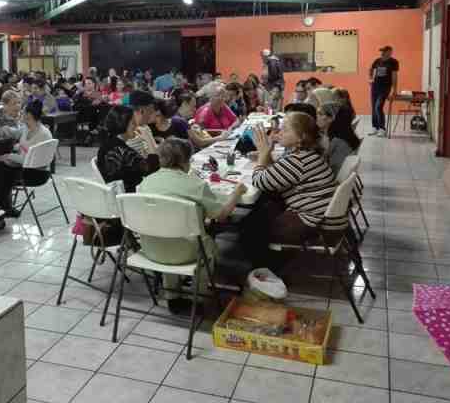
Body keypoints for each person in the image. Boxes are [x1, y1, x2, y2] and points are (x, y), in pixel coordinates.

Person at [138, 137, 246, 313]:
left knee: (166, 232)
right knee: (204, 246)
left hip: (151, 248)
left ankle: (172, 297)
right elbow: (221, 215)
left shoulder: (145, 183)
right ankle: (198, 298)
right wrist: (237, 193)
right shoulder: (196, 185)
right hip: (187, 252)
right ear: (185, 161)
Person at [240, 112, 338, 269]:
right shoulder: (304, 154)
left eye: (285, 129)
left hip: (312, 223)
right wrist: (266, 155)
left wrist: (263, 154)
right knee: (260, 211)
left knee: (250, 230)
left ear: (301, 137)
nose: (279, 133)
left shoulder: (298, 160)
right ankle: (268, 257)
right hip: (319, 215)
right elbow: (277, 173)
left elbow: (259, 181)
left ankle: (268, 267)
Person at [0, 100, 54, 233]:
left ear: (29, 115)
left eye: (23, 112)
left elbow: (28, 159)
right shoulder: (28, 128)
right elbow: (23, 148)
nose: (20, 113)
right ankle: (3, 208)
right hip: (27, 167)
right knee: (2, 167)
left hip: (37, 173)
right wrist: (10, 153)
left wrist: (7, 157)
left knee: (1, 170)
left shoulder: (43, 134)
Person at [97, 105, 159, 193]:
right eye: (133, 122)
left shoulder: (106, 145)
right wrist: (148, 138)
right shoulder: (124, 152)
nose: (136, 125)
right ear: (123, 124)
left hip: (115, 193)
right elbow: (153, 170)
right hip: (131, 196)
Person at [317, 102, 361, 176]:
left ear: (331, 118)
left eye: (320, 114)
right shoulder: (344, 135)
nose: (316, 116)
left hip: (329, 178)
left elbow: (331, 170)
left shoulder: (338, 142)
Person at [369, 45, 399, 137]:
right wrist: (370, 78)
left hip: (385, 88)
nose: (382, 53)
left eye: (384, 51)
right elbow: (371, 69)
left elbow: (394, 76)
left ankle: (382, 129)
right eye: (381, 51)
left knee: (378, 107)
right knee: (373, 107)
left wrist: (394, 90)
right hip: (375, 87)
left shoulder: (394, 62)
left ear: (390, 52)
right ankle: (375, 127)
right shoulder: (377, 61)